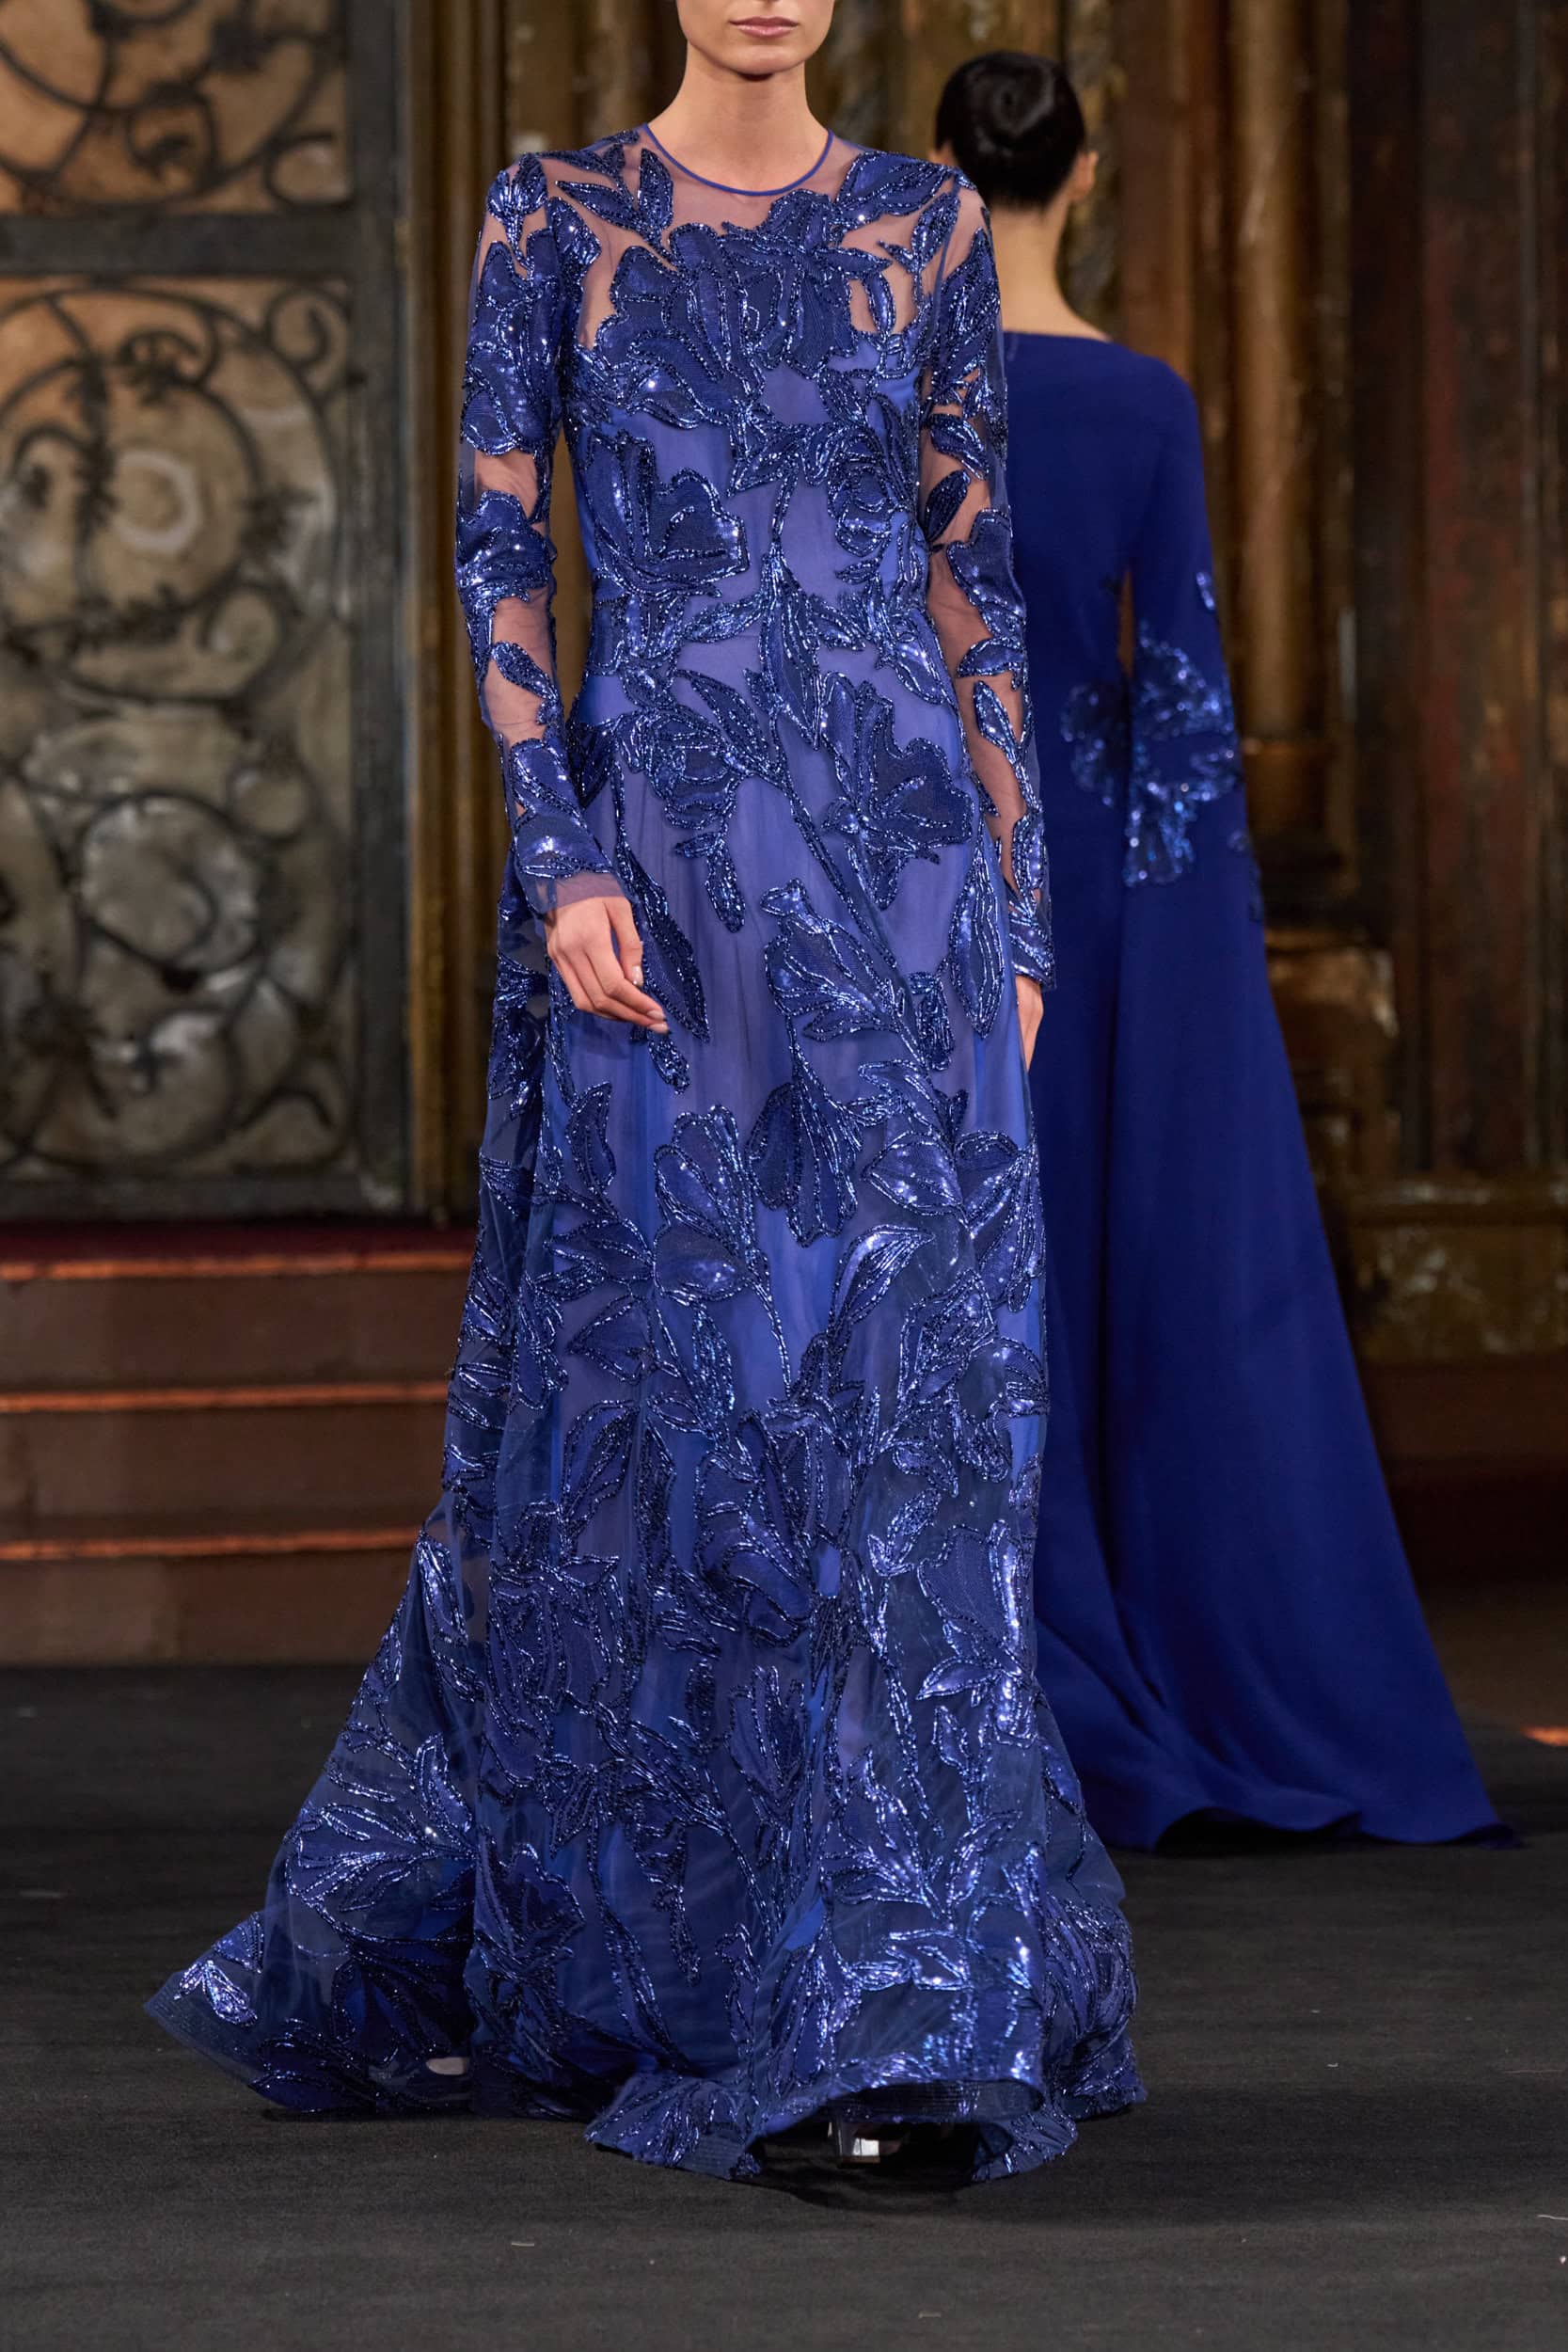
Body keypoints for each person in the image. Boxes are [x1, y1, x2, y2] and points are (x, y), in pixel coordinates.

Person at [148, 3, 1142, 2185]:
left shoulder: (923, 224)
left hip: (905, 869)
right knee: (698, 1408)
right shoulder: (557, 215)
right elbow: (501, 552)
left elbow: (973, 566)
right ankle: (695, 1963)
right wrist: (563, 855)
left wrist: (1026, 904)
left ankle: (893, 2012)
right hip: (667, 879)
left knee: (917, 1413)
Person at [933, 51, 1497, 1851]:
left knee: (951, 1248)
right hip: (1097, 875)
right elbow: (1178, 680)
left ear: (939, 177)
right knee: (1085, 1234)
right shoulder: (1144, 400)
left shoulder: (897, 381)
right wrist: (1187, 929)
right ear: (1089, 176)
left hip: (919, 853)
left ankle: (966, 1676)